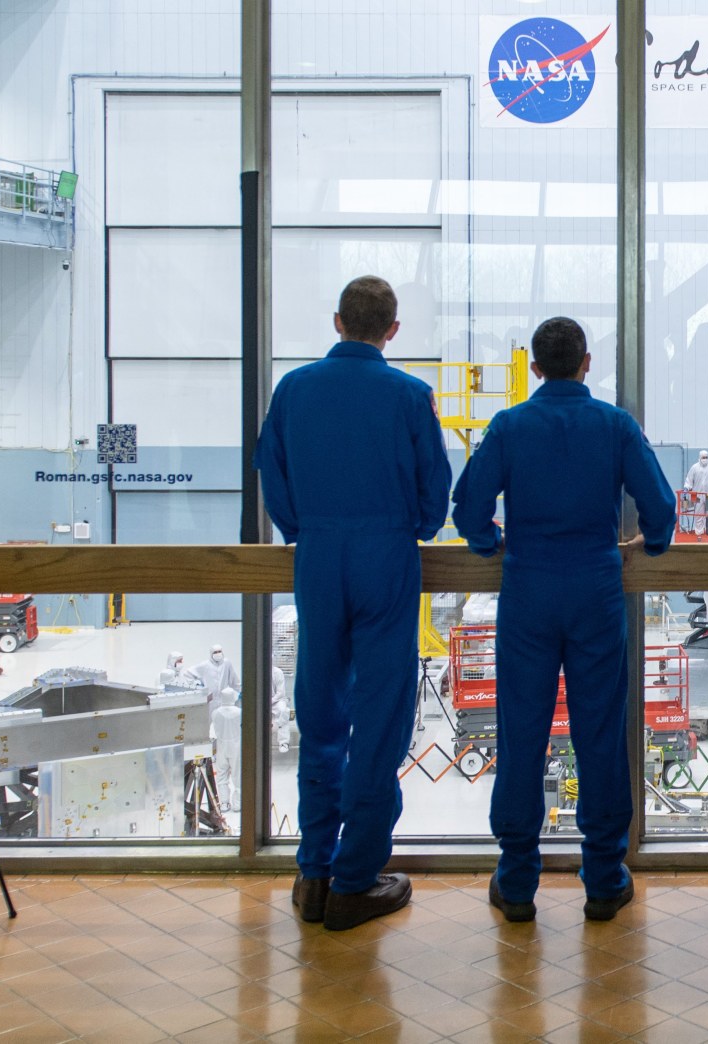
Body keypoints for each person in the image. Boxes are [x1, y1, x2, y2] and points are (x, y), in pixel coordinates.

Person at [453, 316, 676, 923]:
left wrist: (487, 542)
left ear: (535, 367)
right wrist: (652, 543)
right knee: (599, 732)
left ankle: (517, 880)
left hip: (527, 589)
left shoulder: (509, 425)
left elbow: (469, 505)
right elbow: (660, 506)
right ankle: (604, 879)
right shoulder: (614, 425)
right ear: (586, 364)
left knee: (521, 730)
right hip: (597, 590)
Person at [255, 274, 450, 931]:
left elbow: (271, 473)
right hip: (385, 557)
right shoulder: (410, 397)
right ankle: (356, 877)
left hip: (318, 556)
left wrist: (302, 530)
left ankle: (313, 873)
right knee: (382, 715)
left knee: (319, 708)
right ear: (392, 329)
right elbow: (434, 495)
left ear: (337, 321)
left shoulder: (293, 390)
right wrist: (410, 529)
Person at [211, 690, 243, 812]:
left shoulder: (215, 713)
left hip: (221, 747)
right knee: (238, 776)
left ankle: (224, 803)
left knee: (221, 776)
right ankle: (237, 804)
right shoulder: (240, 712)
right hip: (236, 747)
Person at [194, 644, 241, 721]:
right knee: (208, 722)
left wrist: (240, 691)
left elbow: (234, 679)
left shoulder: (226, 663)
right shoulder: (205, 665)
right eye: (215, 652)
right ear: (211, 654)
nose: (218, 654)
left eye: (219, 651)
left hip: (223, 700)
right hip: (210, 701)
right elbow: (188, 674)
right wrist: (199, 686)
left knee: (223, 723)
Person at [683, 450, 708, 537]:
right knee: (698, 514)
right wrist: (686, 488)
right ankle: (699, 533)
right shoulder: (694, 468)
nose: (705, 459)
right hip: (697, 496)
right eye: (703, 457)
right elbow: (689, 480)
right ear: (699, 458)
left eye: (706, 457)